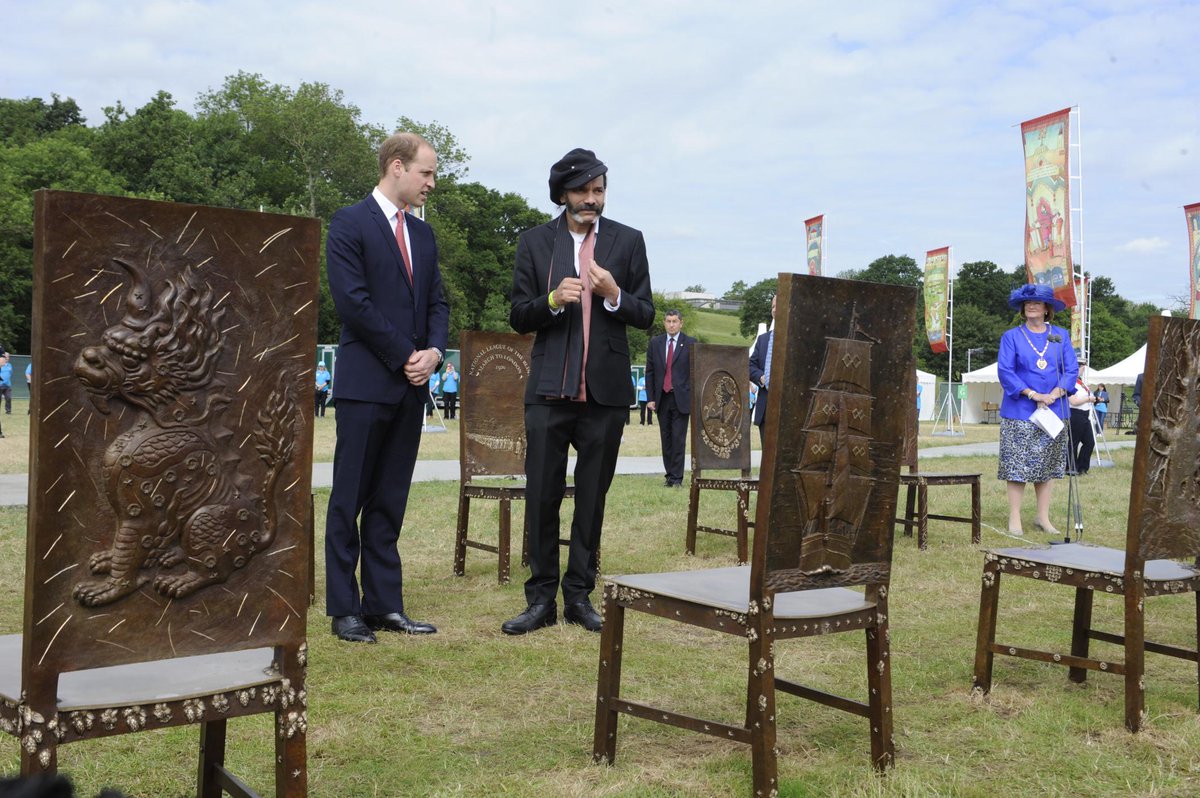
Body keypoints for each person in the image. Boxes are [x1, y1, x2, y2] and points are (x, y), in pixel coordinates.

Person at [503, 147, 654, 635]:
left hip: (605, 394)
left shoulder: (629, 243)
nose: (593, 199)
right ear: (562, 194)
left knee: (591, 498)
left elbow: (647, 313)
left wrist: (613, 294)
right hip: (549, 390)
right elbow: (518, 315)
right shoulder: (534, 242)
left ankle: (579, 596)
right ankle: (540, 600)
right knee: (542, 496)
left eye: (600, 190)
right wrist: (550, 300)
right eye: (584, 190)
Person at [323, 132, 449, 643]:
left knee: (389, 499)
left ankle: (384, 605)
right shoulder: (350, 223)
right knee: (348, 497)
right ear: (397, 167)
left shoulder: (423, 235)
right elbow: (353, 303)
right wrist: (405, 357)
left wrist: (435, 355)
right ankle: (344, 608)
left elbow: (437, 303)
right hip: (365, 384)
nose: (432, 183)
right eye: (427, 172)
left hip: (411, 388)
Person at [996, 283, 1078, 536]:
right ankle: (1015, 517)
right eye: (1028, 303)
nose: (1032, 306)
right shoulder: (1012, 336)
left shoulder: (1061, 336)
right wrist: (1033, 394)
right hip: (1020, 410)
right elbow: (1005, 371)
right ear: (1023, 308)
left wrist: (1054, 393)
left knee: (1047, 465)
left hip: (1054, 410)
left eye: (1038, 303)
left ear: (1046, 309)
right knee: (1017, 465)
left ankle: (1043, 517)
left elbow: (1071, 370)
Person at [645, 309, 694, 487]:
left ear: (681, 323)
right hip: (662, 398)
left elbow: (695, 372)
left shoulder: (690, 343)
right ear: (664, 323)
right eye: (668, 321)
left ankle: (677, 478)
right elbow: (649, 372)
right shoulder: (655, 343)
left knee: (678, 439)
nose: (671, 324)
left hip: (681, 398)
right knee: (666, 439)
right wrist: (650, 398)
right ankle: (669, 476)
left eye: (674, 321)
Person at [748, 294, 776, 446]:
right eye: (772, 306)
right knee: (767, 456)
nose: (774, 309)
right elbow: (750, 365)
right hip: (765, 408)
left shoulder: (796, 339)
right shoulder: (763, 339)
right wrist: (761, 377)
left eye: (778, 305)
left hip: (787, 410)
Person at [1067, 367, 1095, 475]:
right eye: (1081, 366)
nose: (1083, 369)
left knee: (1089, 442)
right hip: (1075, 413)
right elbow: (1073, 401)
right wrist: (1088, 399)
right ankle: (1071, 467)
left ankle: (1082, 467)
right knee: (1074, 442)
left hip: (1085, 413)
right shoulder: (1070, 382)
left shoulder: (1080, 382)